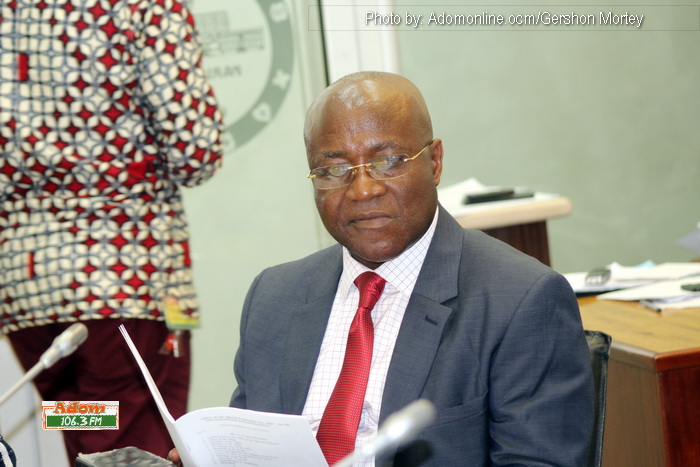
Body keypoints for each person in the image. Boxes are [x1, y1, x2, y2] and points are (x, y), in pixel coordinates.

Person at [170, 71, 594, 466]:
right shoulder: (273, 297)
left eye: (389, 161)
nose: (363, 190)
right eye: (334, 169)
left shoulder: (521, 301)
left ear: (435, 162)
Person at [0, 0, 223, 463]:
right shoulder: (142, 7)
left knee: (90, 435)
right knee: (132, 449)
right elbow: (195, 151)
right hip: (122, 275)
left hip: (28, 291)